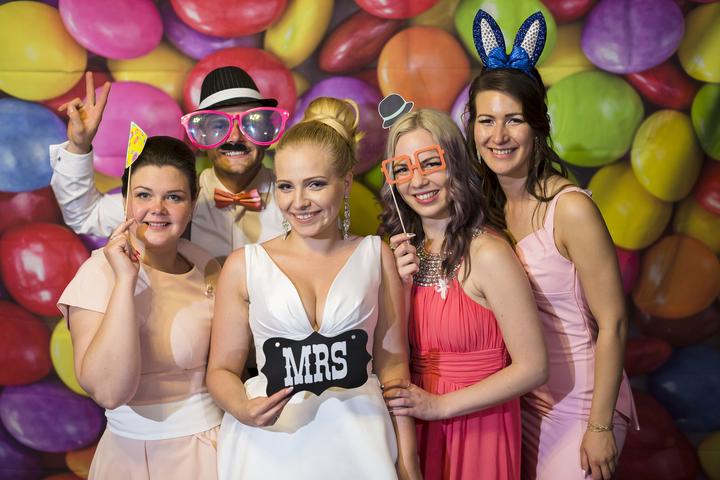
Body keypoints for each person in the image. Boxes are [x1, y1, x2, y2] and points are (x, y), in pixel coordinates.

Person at [207, 97, 421, 480]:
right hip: (269, 448)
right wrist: (242, 407)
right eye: (286, 186)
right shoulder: (244, 265)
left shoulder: (376, 256)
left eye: (316, 184)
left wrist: (408, 464)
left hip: (360, 446)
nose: (299, 202)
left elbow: (393, 368)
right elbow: (221, 370)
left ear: (346, 182)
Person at [466, 9, 637, 480]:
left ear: (538, 126)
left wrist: (599, 425)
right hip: (517, 404)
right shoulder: (486, 206)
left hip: (584, 405)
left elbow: (614, 322)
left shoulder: (571, 209)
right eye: (486, 120)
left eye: (514, 120)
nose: (498, 136)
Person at [380, 108, 548, 480]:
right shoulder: (404, 256)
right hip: (415, 428)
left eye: (430, 163)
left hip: (478, 430)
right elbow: (391, 355)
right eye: (402, 169)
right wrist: (398, 289)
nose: (417, 180)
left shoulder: (488, 252)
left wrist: (439, 406)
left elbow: (534, 367)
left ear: (455, 162)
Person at [57, 136, 222, 479]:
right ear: (125, 201)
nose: (157, 208)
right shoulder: (97, 273)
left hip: (216, 448)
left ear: (192, 205)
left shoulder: (205, 263)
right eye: (144, 195)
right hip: (137, 457)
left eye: (173, 197)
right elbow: (108, 392)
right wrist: (125, 281)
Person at [50, 66, 286, 262]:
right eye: (219, 126)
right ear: (201, 137)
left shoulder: (295, 199)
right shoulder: (175, 198)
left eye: (251, 123)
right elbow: (86, 216)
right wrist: (78, 146)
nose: (235, 137)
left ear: (267, 132)